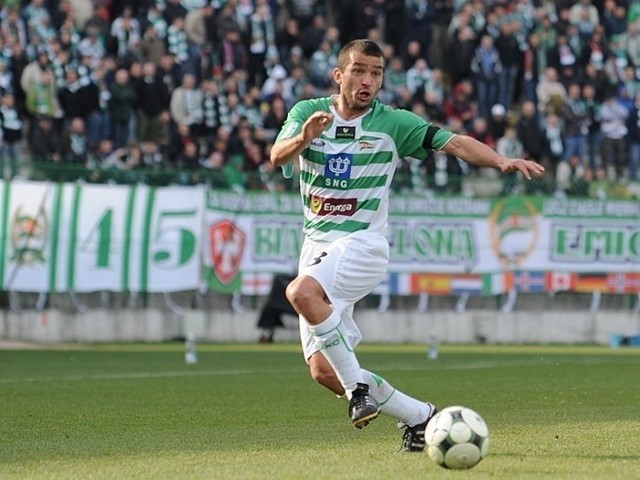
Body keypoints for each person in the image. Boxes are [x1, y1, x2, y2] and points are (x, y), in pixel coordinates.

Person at [269, 39, 545, 452]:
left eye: (376, 73)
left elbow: (453, 142)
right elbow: (277, 155)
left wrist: (500, 161)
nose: (368, 81)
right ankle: (422, 418)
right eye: (359, 70)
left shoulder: (392, 123)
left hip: (362, 244)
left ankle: (360, 394)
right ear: (339, 75)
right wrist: (303, 138)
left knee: (300, 292)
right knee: (326, 372)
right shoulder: (307, 113)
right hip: (317, 247)